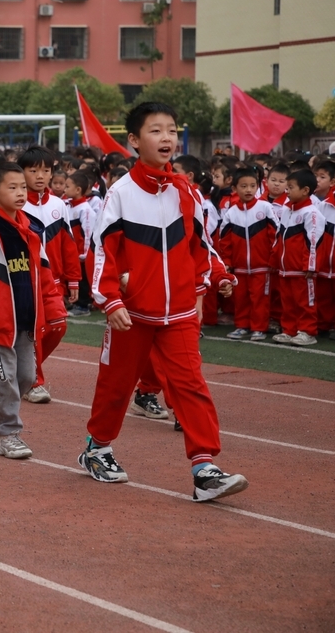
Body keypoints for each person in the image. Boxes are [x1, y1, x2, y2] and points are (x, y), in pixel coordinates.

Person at [81, 102, 247, 502]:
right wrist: (111, 301)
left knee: (190, 385)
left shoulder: (186, 191)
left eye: (171, 130)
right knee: (116, 386)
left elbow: (201, 245)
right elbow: (101, 251)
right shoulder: (120, 194)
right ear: (134, 141)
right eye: (155, 131)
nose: (166, 137)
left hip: (181, 313)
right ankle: (97, 449)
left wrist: (219, 275)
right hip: (132, 314)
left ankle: (204, 468)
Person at [0, 162, 65, 459]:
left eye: (23, 187)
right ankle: (7, 434)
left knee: (26, 378)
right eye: (13, 188)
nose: (21, 193)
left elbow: (44, 274)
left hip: (27, 320)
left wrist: (54, 307)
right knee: (5, 379)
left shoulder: (32, 230)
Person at [19, 146, 80, 404]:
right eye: (33, 171)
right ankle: (33, 382)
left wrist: (73, 278)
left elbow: (68, 244)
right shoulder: (16, 204)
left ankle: (22, 370)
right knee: (33, 331)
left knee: (58, 326)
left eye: (46, 170)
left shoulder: (59, 205)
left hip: (53, 280)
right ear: (22, 172)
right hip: (25, 281)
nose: (40, 176)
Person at [219, 168, 278, 342]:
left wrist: (272, 259)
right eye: (243, 186)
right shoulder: (231, 213)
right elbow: (224, 241)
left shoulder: (265, 207)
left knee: (260, 298)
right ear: (234, 188)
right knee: (241, 298)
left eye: (252, 186)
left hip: (262, 266)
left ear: (258, 187)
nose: (248, 190)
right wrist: (227, 262)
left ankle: (259, 328)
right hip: (239, 267)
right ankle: (241, 326)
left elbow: (276, 235)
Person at [272, 169, 325, 346]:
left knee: (305, 302)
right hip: (285, 268)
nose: (286, 191)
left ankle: (307, 331)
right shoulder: (286, 210)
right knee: (287, 301)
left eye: (291, 187)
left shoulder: (312, 213)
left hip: (302, 270)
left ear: (305, 190)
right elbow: (279, 236)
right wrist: (275, 260)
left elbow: (313, 241)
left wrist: (310, 265)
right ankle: (289, 330)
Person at [317, 163, 335, 340]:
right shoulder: (323, 206)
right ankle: (323, 325)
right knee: (324, 297)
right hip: (323, 264)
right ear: (334, 181)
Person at [65, 171, 96, 317]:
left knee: (83, 280)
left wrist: (84, 254)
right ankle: (75, 302)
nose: (64, 189)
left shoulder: (85, 209)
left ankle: (83, 306)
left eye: (67, 186)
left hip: (81, 254)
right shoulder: (68, 206)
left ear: (78, 189)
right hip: (72, 252)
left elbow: (88, 234)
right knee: (74, 279)